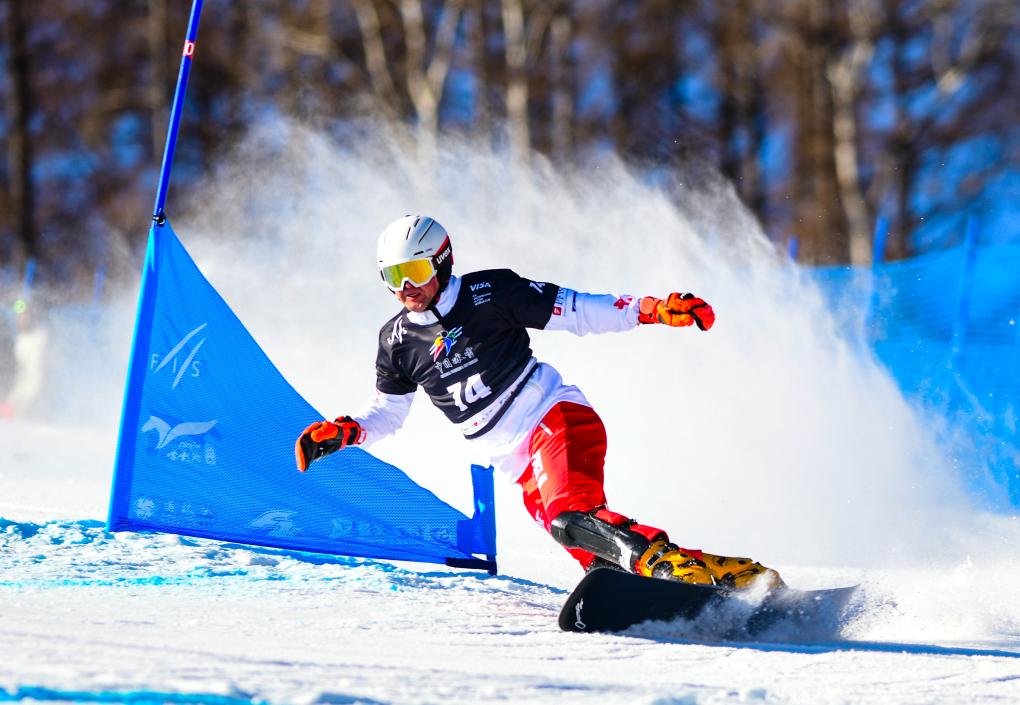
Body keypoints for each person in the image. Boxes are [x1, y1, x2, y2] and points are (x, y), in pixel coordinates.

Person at [296, 215, 782, 590]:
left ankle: (667, 566)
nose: (406, 289)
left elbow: (578, 310)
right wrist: (346, 432)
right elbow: (387, 413)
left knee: (572, 519)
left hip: (554, 419)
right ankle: (730, 575)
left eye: (415, 272)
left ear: (442, 262)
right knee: (600, 558)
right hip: (518, 465)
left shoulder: (491, 292)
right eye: (393, 276)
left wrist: (650, 309)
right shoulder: (396, 342)